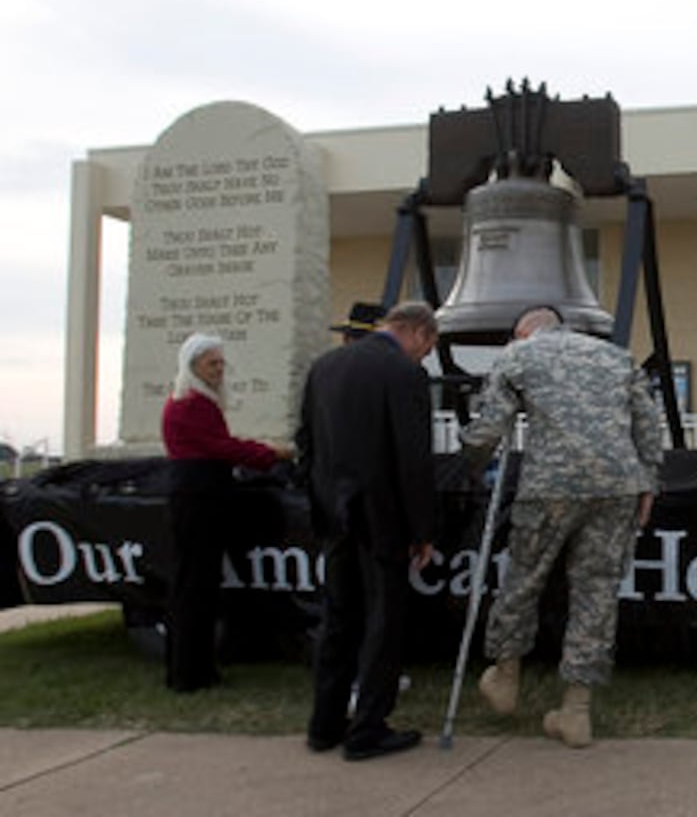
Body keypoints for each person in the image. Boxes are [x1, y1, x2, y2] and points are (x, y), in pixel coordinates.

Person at [459, 305, 663, 748]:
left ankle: (506, 676)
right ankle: (576, 711)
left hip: (550, 486)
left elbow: (487, 430)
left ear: (522, 331)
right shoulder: (616, 356)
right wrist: (649, 481)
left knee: (524, 580)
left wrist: (469, 462)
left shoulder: (519, 355)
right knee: (597, 592)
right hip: (617, 486)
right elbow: (649, 425)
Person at [297, 301, 438, 761]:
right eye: (428, 347)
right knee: (383, 621)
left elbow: (307, 446)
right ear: (418, 333)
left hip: (334, 515)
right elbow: (413, 461)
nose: (425, 356)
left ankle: (324, 725)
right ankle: (368, 729)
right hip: (383, 519)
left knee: (337, 618)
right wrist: (422, 529)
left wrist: (320, 503)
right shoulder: (404, 374)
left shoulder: (325, 367)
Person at [160, 332, 293, 692]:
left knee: (195, 585)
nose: (219, 369)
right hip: (198, 498)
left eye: (221, 362)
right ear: (194, 367)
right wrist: (271, 455)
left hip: (195, 494)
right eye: (212, 363)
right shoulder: (193, 404)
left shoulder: (188, 401)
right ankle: (189, 673)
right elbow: (221, 447)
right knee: (195, 586)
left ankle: (191, 667)